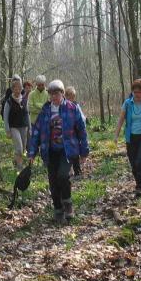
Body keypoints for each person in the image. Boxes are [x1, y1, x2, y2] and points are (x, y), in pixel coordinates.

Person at [27, 80, 89, 224]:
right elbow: (36, 131)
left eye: (57, 93)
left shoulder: (72, 108)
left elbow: (81, 130)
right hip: (50, 151)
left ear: (62, 94)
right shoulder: (45, 110)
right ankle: (58, 210)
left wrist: (84, 151)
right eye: (51, 94)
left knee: (63, 176)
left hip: (67, 150)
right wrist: (32, 152)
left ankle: (67, 203)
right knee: (53, 182)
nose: (54, 97)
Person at [3, 75, 30, 171]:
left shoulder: (25, 100)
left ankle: (16, 161)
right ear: (12, 89)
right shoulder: (9, 102)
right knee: (19, 147)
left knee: (22, 149)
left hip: (24, 126)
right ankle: (20, 167)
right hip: (13, 127)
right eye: (16, 87)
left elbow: (27, 115)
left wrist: (29, 128)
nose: (18, 89)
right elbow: (5, 117)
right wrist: (7, 130)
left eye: (20, 87)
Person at [64, 86, 86, 176]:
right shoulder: (63, 106)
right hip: (66, 133)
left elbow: (81, 117)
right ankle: (69, 170)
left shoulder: (76, 106)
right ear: (65, 96)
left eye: (73, 96)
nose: (71, 98)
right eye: (69, 96)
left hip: (75, 132)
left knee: (75, 152)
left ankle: (77, 170)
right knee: (67, 152)